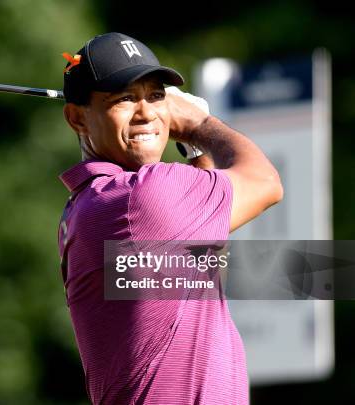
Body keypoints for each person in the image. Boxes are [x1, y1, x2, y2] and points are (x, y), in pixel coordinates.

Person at [57, 32, 283, 404]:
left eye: (156, 95)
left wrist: (196, 148)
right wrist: (198, 124)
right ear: (77, 117)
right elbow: (266, 182)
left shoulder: (96, 203)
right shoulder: (139, 197)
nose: (146, 112)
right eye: (125, 98)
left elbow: (200, 249)